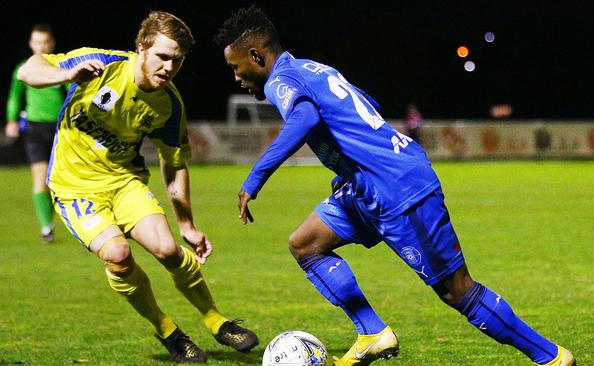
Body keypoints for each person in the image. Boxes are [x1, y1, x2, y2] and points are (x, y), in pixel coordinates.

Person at [214, 6, 575, 366]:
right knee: (306, 244)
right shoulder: (312, 68)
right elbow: (367, 104)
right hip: (367, 187)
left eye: (235, 67)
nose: (236, 77)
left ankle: (552, 358)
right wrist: (349, 166)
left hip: (399, 189)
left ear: (256, 56)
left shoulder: (280, 80)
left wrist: (254, 178)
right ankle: (373, 333)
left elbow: (305, 118)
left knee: (458, 292)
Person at [18, 11, 258, 363]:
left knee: (168, 250)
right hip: (74, 188)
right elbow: (28, 70)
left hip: (123, 182)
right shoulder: (102, 65)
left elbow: (174, 163)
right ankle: (167, 331)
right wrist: (65, 73)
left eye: (176, 61)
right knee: (118, 255)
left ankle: (216, 320)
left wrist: (187, 225)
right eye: (162, 56)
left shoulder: (168, 104)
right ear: (141, 48)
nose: (168, 67)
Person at [6, 24, 64, 243]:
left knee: (56, 182)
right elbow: (14, 96)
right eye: (37, 42)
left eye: (45, 42)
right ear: (31, 44)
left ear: (52, 43)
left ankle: (62, 220)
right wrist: (12, 120)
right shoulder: (24, 68)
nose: (41, 46)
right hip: (35, 129)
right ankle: (46, 227)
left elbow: (73, 95)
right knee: (40, 180)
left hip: (60, 129)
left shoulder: (61, 67)